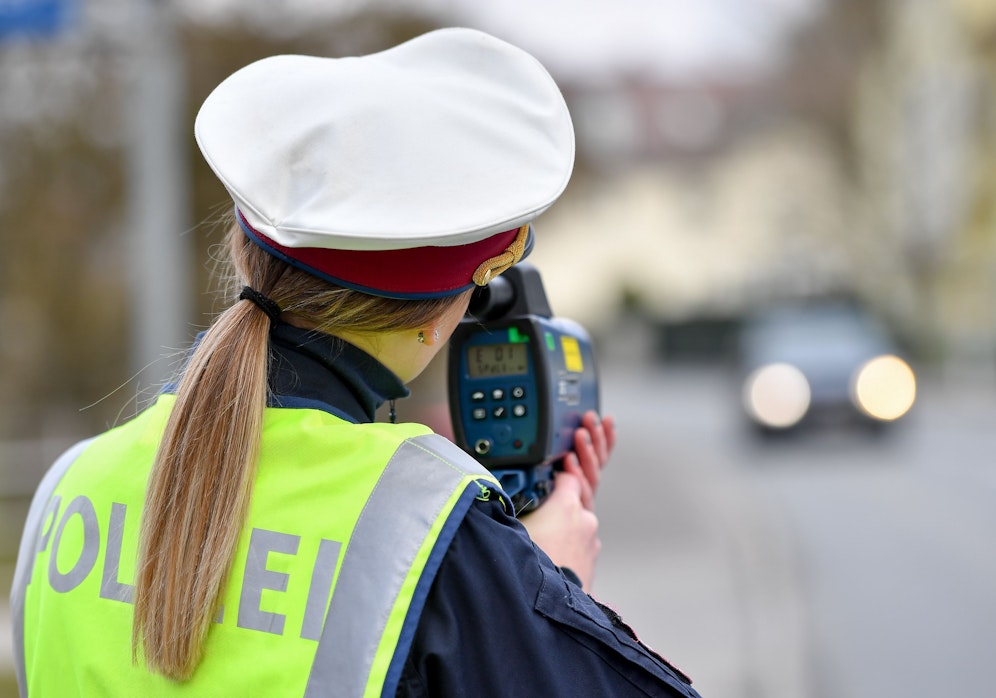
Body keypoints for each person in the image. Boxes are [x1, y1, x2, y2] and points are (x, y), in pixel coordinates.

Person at [10, 28, 701, 697]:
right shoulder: (429, 531)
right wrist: (548, 594)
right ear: (437, 320)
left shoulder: (67, 491)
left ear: (240, 249)